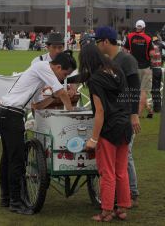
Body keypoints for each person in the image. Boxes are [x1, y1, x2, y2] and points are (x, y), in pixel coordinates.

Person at [65, 25, 141, 208]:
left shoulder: (126, 60)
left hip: (117, 120)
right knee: (120, 166)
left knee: (117, 165)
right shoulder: (111, 63)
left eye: (97, 41)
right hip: (120, 119)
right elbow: (91, 75)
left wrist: (134, 115)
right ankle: (123, 203)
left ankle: (131, 194)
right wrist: (70, 80)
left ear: (106, 41)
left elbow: (134, 89)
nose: (96, 45)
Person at [0, 52, 76, 215]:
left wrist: (52, 97)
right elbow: (62, 92)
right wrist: (72, 114)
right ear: (59, 67)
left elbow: (38, 106)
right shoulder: (42, 67)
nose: (63, 78)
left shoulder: (40, 75)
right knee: (16, 159)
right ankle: (16, 202)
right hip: (11, 113)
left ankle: (6, 198)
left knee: (8, 157)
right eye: (65, 74)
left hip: (8, 112)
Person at [81, 44, 132, 222]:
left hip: (109, 129)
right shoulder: (117, 70)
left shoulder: (95, 79)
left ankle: (106, 212)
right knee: (121, 170)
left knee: (107, 172)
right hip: (125, 125)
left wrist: (93, 140)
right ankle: (123, 208)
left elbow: (100, 111)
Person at [124, 20, 155, 119]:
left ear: (136, 27)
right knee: (144, 91)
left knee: (135, 90)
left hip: (133, 67)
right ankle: (140, 114)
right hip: (145, 67)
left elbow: (125, 50)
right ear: (144, 28)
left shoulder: (130, 36)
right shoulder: (148, 38)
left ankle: (146, 108)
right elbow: (152, 54)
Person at [31, 32, 78, 97]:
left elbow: (74, 79)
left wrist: (73, 89)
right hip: (42, 96)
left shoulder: (68, 61)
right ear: (48, 47)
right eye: (54, 47)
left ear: (63, 47)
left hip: (62, 96)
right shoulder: (38, 60)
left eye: (60, 47)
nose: (57, 51)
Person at [151, 37, 163, 113]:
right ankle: (158, 107)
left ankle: (156, 108)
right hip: (159, 69)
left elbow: (150, 60)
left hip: (154, 70)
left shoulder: (152, 49)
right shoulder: (157, 47)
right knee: (157, 89)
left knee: (154, 90)